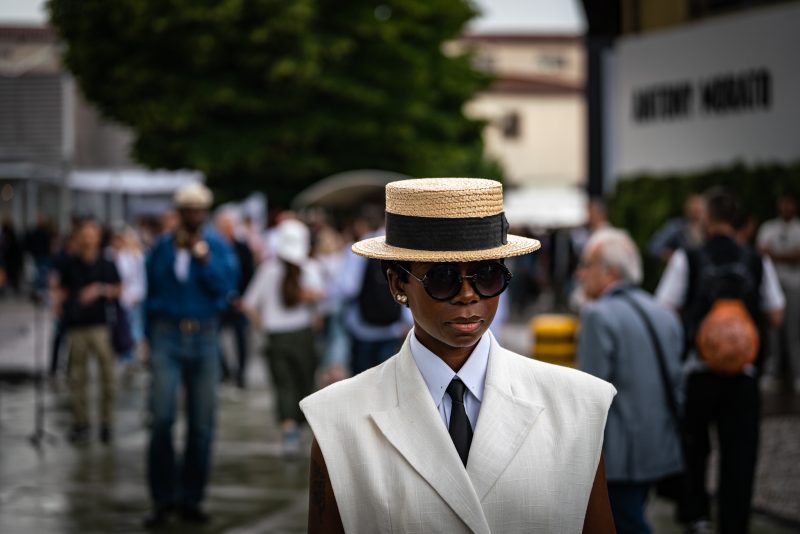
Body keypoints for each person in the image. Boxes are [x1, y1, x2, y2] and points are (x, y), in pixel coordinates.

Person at [301, 178, 617, 533]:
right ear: (396, 285)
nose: (468, 295)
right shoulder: (337, 419)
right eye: (442, 278)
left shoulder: (578, 406)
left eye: (488, 275)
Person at [655, 188, 785, 534]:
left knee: (695, 447)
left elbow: (664, 309)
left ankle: (697, 516)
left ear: (707, 219)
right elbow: (776, 313)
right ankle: (734, 522)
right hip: (744, 373)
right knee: (740, 453)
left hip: (700, 370)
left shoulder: (690, 258)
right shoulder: (757, 259)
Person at [143, 183, 239, 528]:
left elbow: (227, 289)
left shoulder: (216, 246)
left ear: (206, 213)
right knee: (162, 420)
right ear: (179, 212)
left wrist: (203, 260)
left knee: (202, 425)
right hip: (167, 336)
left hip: (205, 336)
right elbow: (149, 291)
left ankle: (191, 499)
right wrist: (146, 336)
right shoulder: (162, 247)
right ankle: (162, 499)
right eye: (187, 209)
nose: (193, 215)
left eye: (199, 209)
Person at [577, 228, 683, 533]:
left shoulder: (597, 314)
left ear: (609, 271)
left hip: (618, 456)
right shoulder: (663, 312)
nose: (580, 273)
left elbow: (591, 394)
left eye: (587, 264)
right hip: (659, 447)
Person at [243, 219, 324, 455]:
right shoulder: (309, 268)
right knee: (305, 383)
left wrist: (262, 325)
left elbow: (248, 304)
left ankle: (289, 433)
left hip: (276, 337)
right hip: (303, 334)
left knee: (283, 385)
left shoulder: (267, 270)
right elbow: (321, 302)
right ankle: (302, 430)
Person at [56, 219, 121, 444]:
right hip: (76, 326)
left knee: (107, 376)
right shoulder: (71, 263)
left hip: (100, 325)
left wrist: (99, 290)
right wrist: (58, 304)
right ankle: (81, 422)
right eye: (84, 234)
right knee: (77, 377)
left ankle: (106, 423)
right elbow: (61, 290)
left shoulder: (106, 262)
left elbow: (118, 289)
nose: (88, 238)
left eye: (92, 233)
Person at [338, 205, 411, 375]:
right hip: (391, 327)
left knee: (362, 380)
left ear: (361, 223)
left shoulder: (357, 249)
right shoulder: (396, 247)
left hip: (362, 327)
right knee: (386, 380)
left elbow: (349, 288)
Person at [756, 192, 800, 391]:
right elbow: (761, 254)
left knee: (793, 330)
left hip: (794, 285)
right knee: (773, 330)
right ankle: (773, 372)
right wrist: (786, 255)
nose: (786, 208)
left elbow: (795, 257)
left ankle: (796, 373)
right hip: (771, 285)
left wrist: (774, 254)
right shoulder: (768, 228)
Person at [215, 210, 255, 389]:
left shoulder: (242, 247)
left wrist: (244, 298)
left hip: (239, 299)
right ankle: (224, 371)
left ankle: (240, 374)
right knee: (215, 338)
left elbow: (249, 274)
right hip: (219, 301)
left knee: (241, 338)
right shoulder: (213, 248)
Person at [648, 194, 706, 263]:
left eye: (698, 209)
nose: (696, 212)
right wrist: (677, 258)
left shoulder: (709, 229)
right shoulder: (677, 227)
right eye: (693, 209)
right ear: (686, 209)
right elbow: (654, 247)